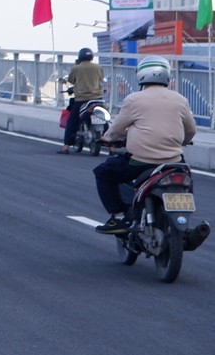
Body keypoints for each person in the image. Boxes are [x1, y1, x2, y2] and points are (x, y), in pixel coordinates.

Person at [92, 58, 196, 234]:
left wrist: (107, 138)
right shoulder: (180, 99)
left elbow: (116, 129)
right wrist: (183, 142)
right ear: (166, 76)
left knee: (102, 172)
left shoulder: (134, 99)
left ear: (141, 75)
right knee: (187, 181)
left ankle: (118, 217)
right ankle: (183, 219)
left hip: (140, 163)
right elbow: (191, 130)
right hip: (173, 162)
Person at [60, 47, 105, 153]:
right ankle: (112, 147)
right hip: (97, 98)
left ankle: (66, 146)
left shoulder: (77, 68)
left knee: (72, 120)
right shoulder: (98, 67)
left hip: (81, 99)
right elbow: (101, 79)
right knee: (104, 119)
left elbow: (71, 80)